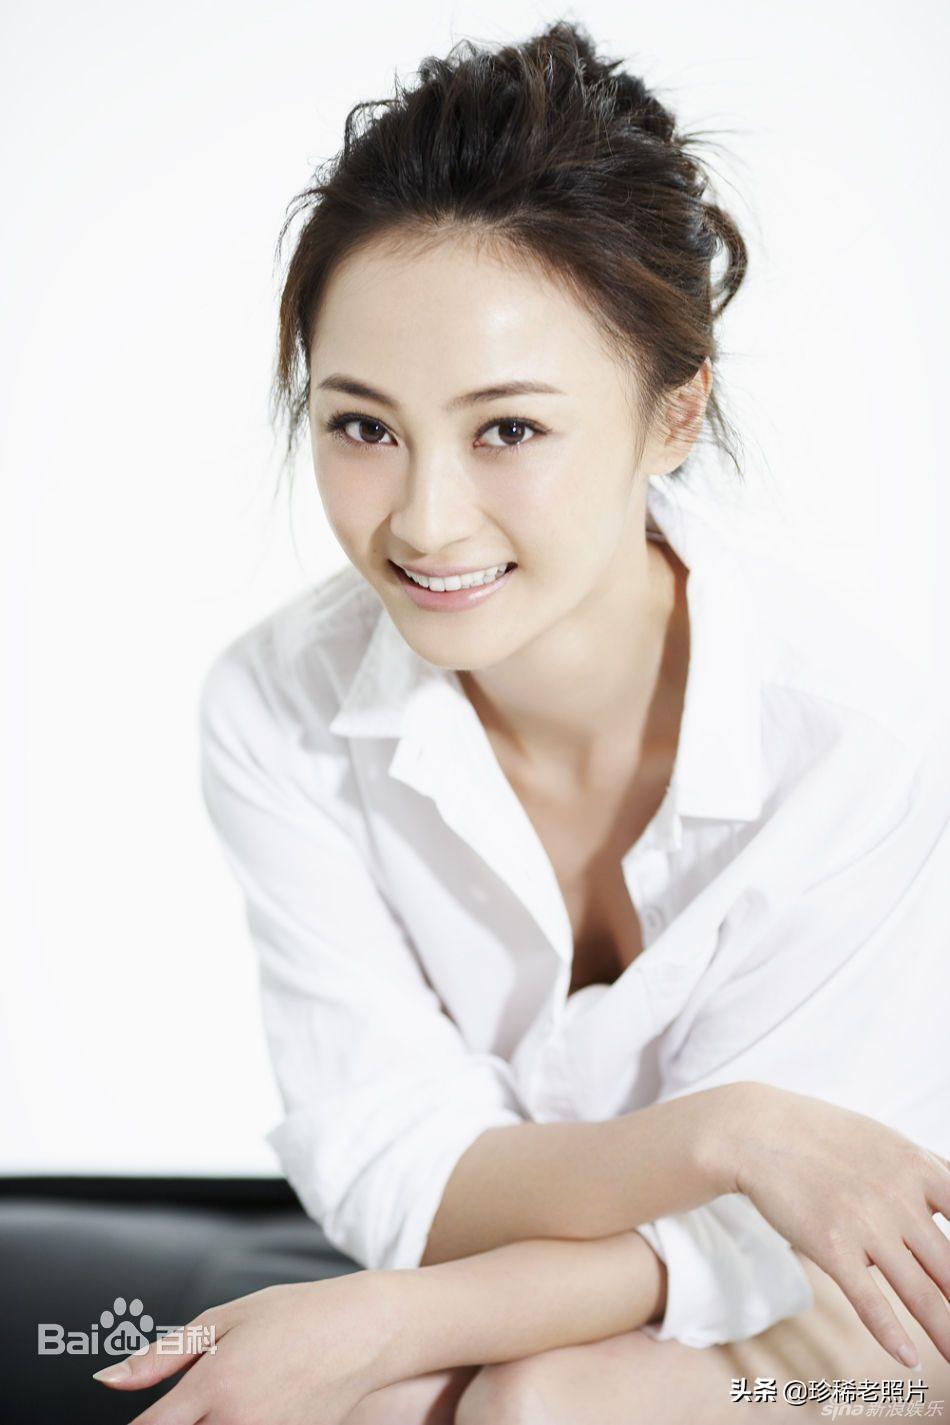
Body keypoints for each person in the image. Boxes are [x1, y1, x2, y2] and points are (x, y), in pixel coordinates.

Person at [96, 20, 950, 1425]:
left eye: (508, 429)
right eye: (363, 426)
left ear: (675, 416)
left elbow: (781, 1237)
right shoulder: (277, 703)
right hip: (566, 1290)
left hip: (874, 1334)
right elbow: (398, 1160)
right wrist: (726, 1134)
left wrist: (396, 1315)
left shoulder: (857, 736)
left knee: (535, 1403)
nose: (425, 521)